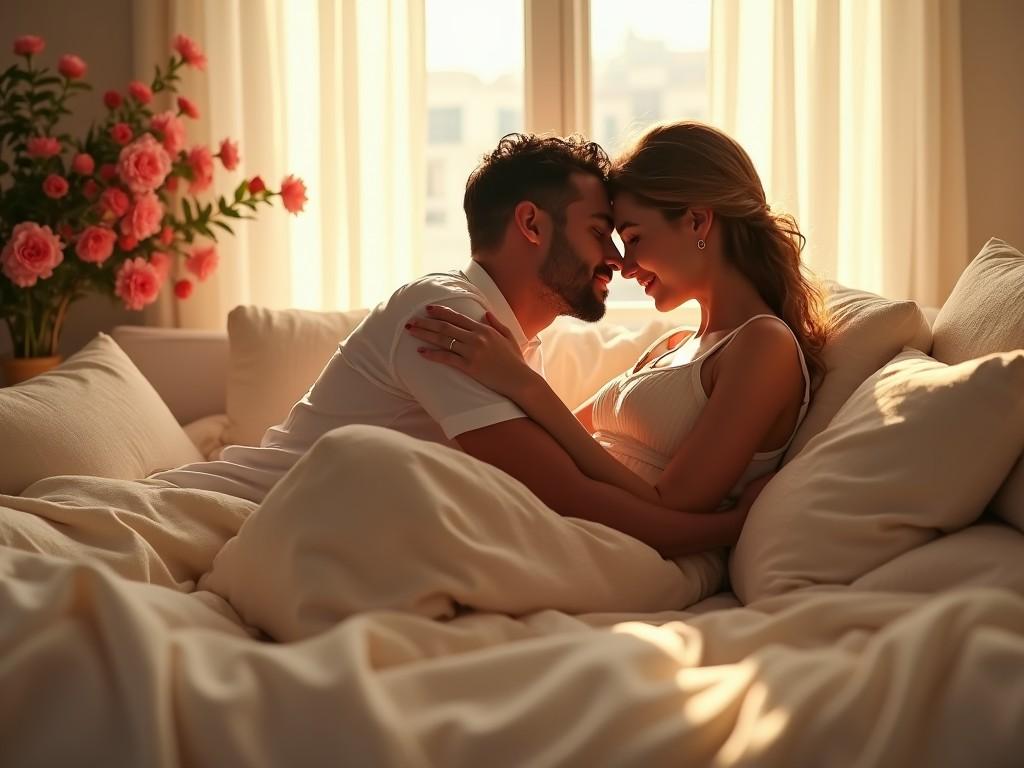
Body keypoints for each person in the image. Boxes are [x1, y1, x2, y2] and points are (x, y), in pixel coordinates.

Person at [152, 131, 763, 559]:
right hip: (221, 517)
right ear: (530, 224)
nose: (616, 258)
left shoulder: (512, 347)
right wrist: (732, 527)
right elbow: (568, 495)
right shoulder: (446, 319)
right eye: (601, 232)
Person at [405, 121, 830, 519]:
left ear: (698, 221)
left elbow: (673, 504)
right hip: (578, 521)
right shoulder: (675, 344)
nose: (623, 265)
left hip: (632, 545)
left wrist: (521, 381)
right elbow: (558, 443)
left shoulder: (763, 345)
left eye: (633, 238)